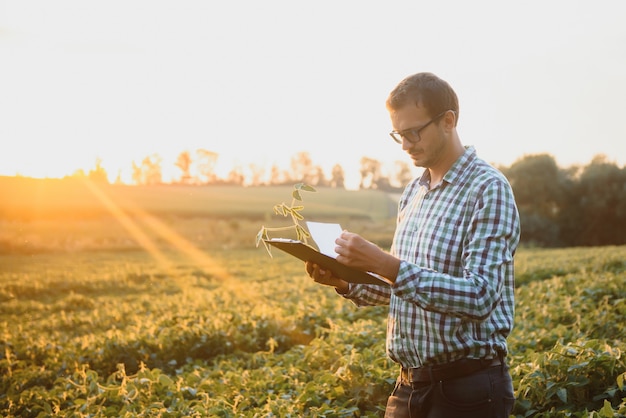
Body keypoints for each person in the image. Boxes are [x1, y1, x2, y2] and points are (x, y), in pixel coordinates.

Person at [305, 72, 521, 418]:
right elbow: (403, 288)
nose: (405, 145)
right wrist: (345, 281)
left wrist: (382, 262)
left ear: (448, 121)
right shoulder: (413, 193)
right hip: (409, 387)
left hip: (468, 390)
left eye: (412, 133)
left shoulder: (488, 188)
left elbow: (480, 296)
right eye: (398, 135)